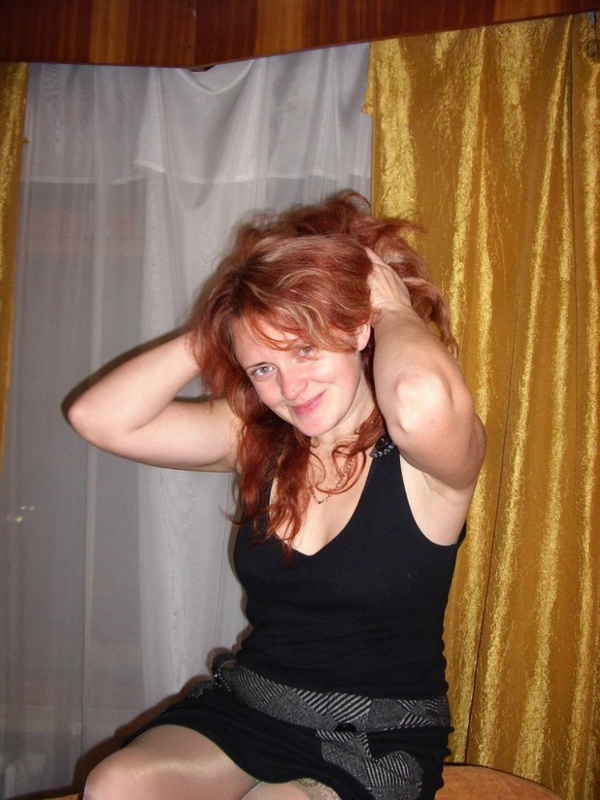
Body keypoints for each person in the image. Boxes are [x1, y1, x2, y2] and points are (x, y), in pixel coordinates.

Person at [69, 192, 486, 800]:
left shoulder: (429, 461)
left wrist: (393, 308)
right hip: (255, 704)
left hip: (373, 733)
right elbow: (98, 417)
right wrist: (231, 320)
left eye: (304, 349)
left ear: (358, 327)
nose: (290, 387)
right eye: (263, 368)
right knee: (115, 783)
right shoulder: (259, 440)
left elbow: (420, 399)